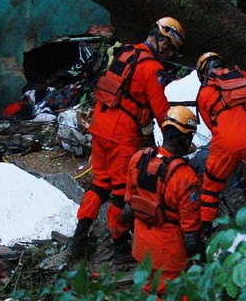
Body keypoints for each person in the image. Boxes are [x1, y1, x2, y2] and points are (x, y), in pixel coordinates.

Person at [65, 17, 185, 263]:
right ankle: (120, 250)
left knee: (99, 184)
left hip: (100, 127)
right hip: (122, 135)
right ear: (162, 40)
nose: (169, 53)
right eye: (170, 47)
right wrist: (176, 141)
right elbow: (161, 110)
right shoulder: (152, 68)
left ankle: (77, 241)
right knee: (121, 192)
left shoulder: (125, 54)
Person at [123, 106, 204, 296]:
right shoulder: (186, 177)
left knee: (149, 293)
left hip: (142, 249)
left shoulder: (138, 158)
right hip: (169, 256)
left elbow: (127, 210)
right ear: (186, 138)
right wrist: (204, 261)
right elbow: (191, 236)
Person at [195, 52, 246, 232]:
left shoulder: (204, 93)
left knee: (211, 185)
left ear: (203, 73)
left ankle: (203, 229)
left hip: (227, 141)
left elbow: (211, 124)